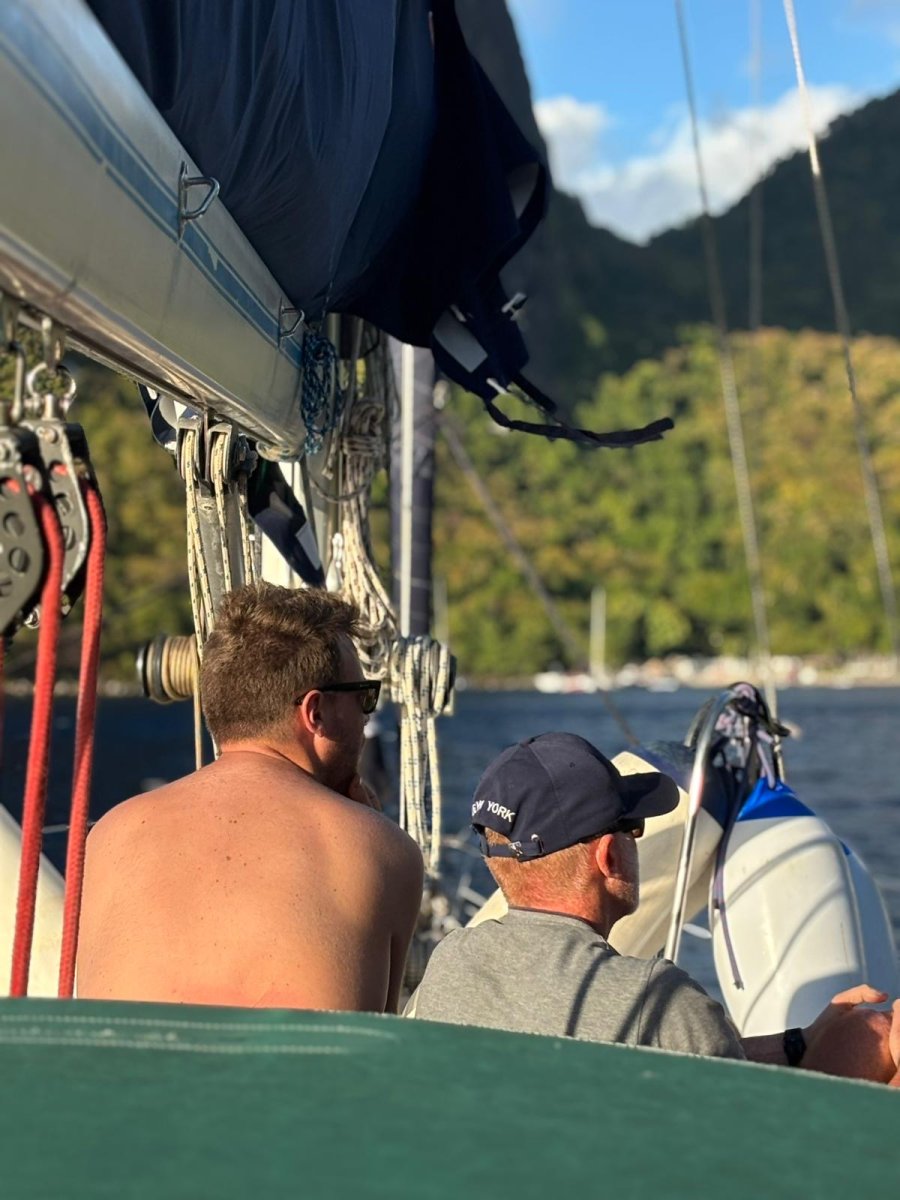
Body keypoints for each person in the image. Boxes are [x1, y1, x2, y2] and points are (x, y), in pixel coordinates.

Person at [405, 732, 900, 1084]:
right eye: (634, 828)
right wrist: (865, 1054)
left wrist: (797, 1043)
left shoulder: (451, 965)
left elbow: (669, 1057)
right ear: (608, 855)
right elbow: (757, 1138)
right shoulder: (655, 998)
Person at [77, 582, 424, 1012]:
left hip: (121, 1078)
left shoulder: (110, 834)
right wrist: (366, 826)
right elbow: (379, 1032)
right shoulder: (383, 851)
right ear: (315, 712)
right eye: (363, 696)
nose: (366, 714)